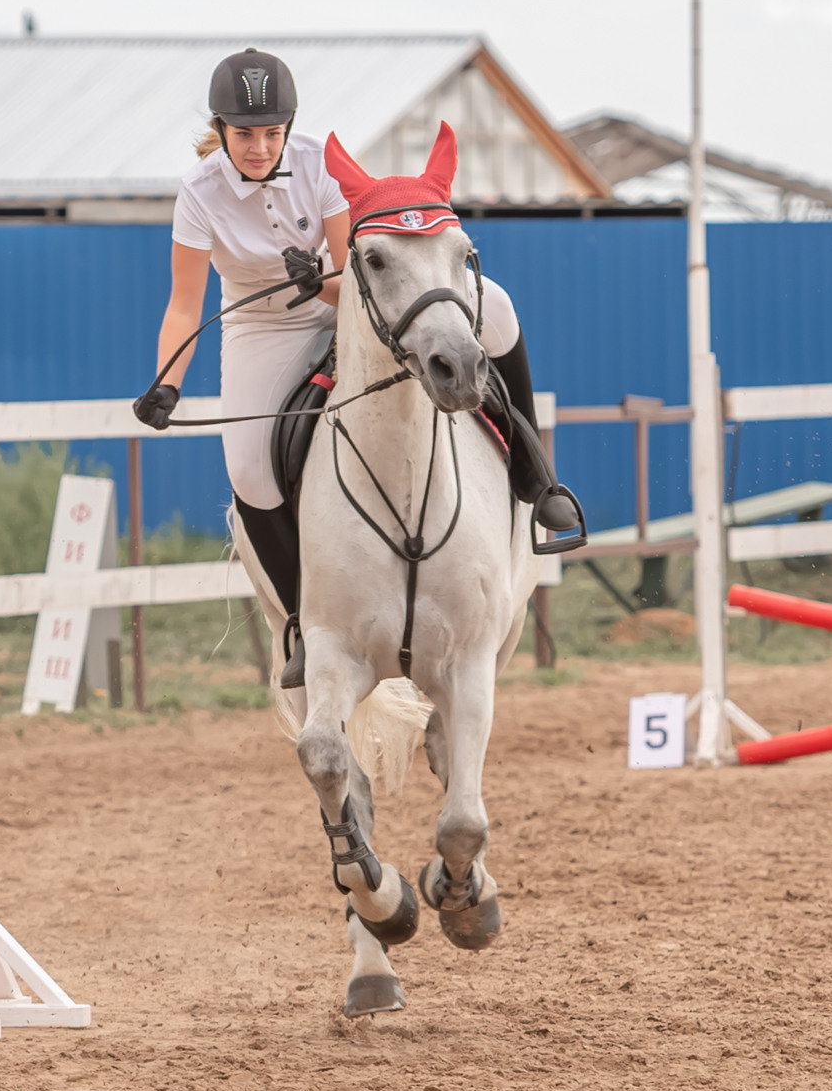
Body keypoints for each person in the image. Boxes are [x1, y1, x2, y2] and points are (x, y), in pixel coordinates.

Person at [134, 47, 579, 688]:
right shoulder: (199, 192)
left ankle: (537, 476)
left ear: (288, 127)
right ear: (220, 129)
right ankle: (302, 621)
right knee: (250, 474)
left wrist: (317, 284)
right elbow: (184, 304)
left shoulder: (319, 163)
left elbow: (358, 281)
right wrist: (167, 382)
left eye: (272, 133)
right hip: (260, 327)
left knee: (499, 307)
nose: (260, 148)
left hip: (339, 307)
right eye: (245, 135)